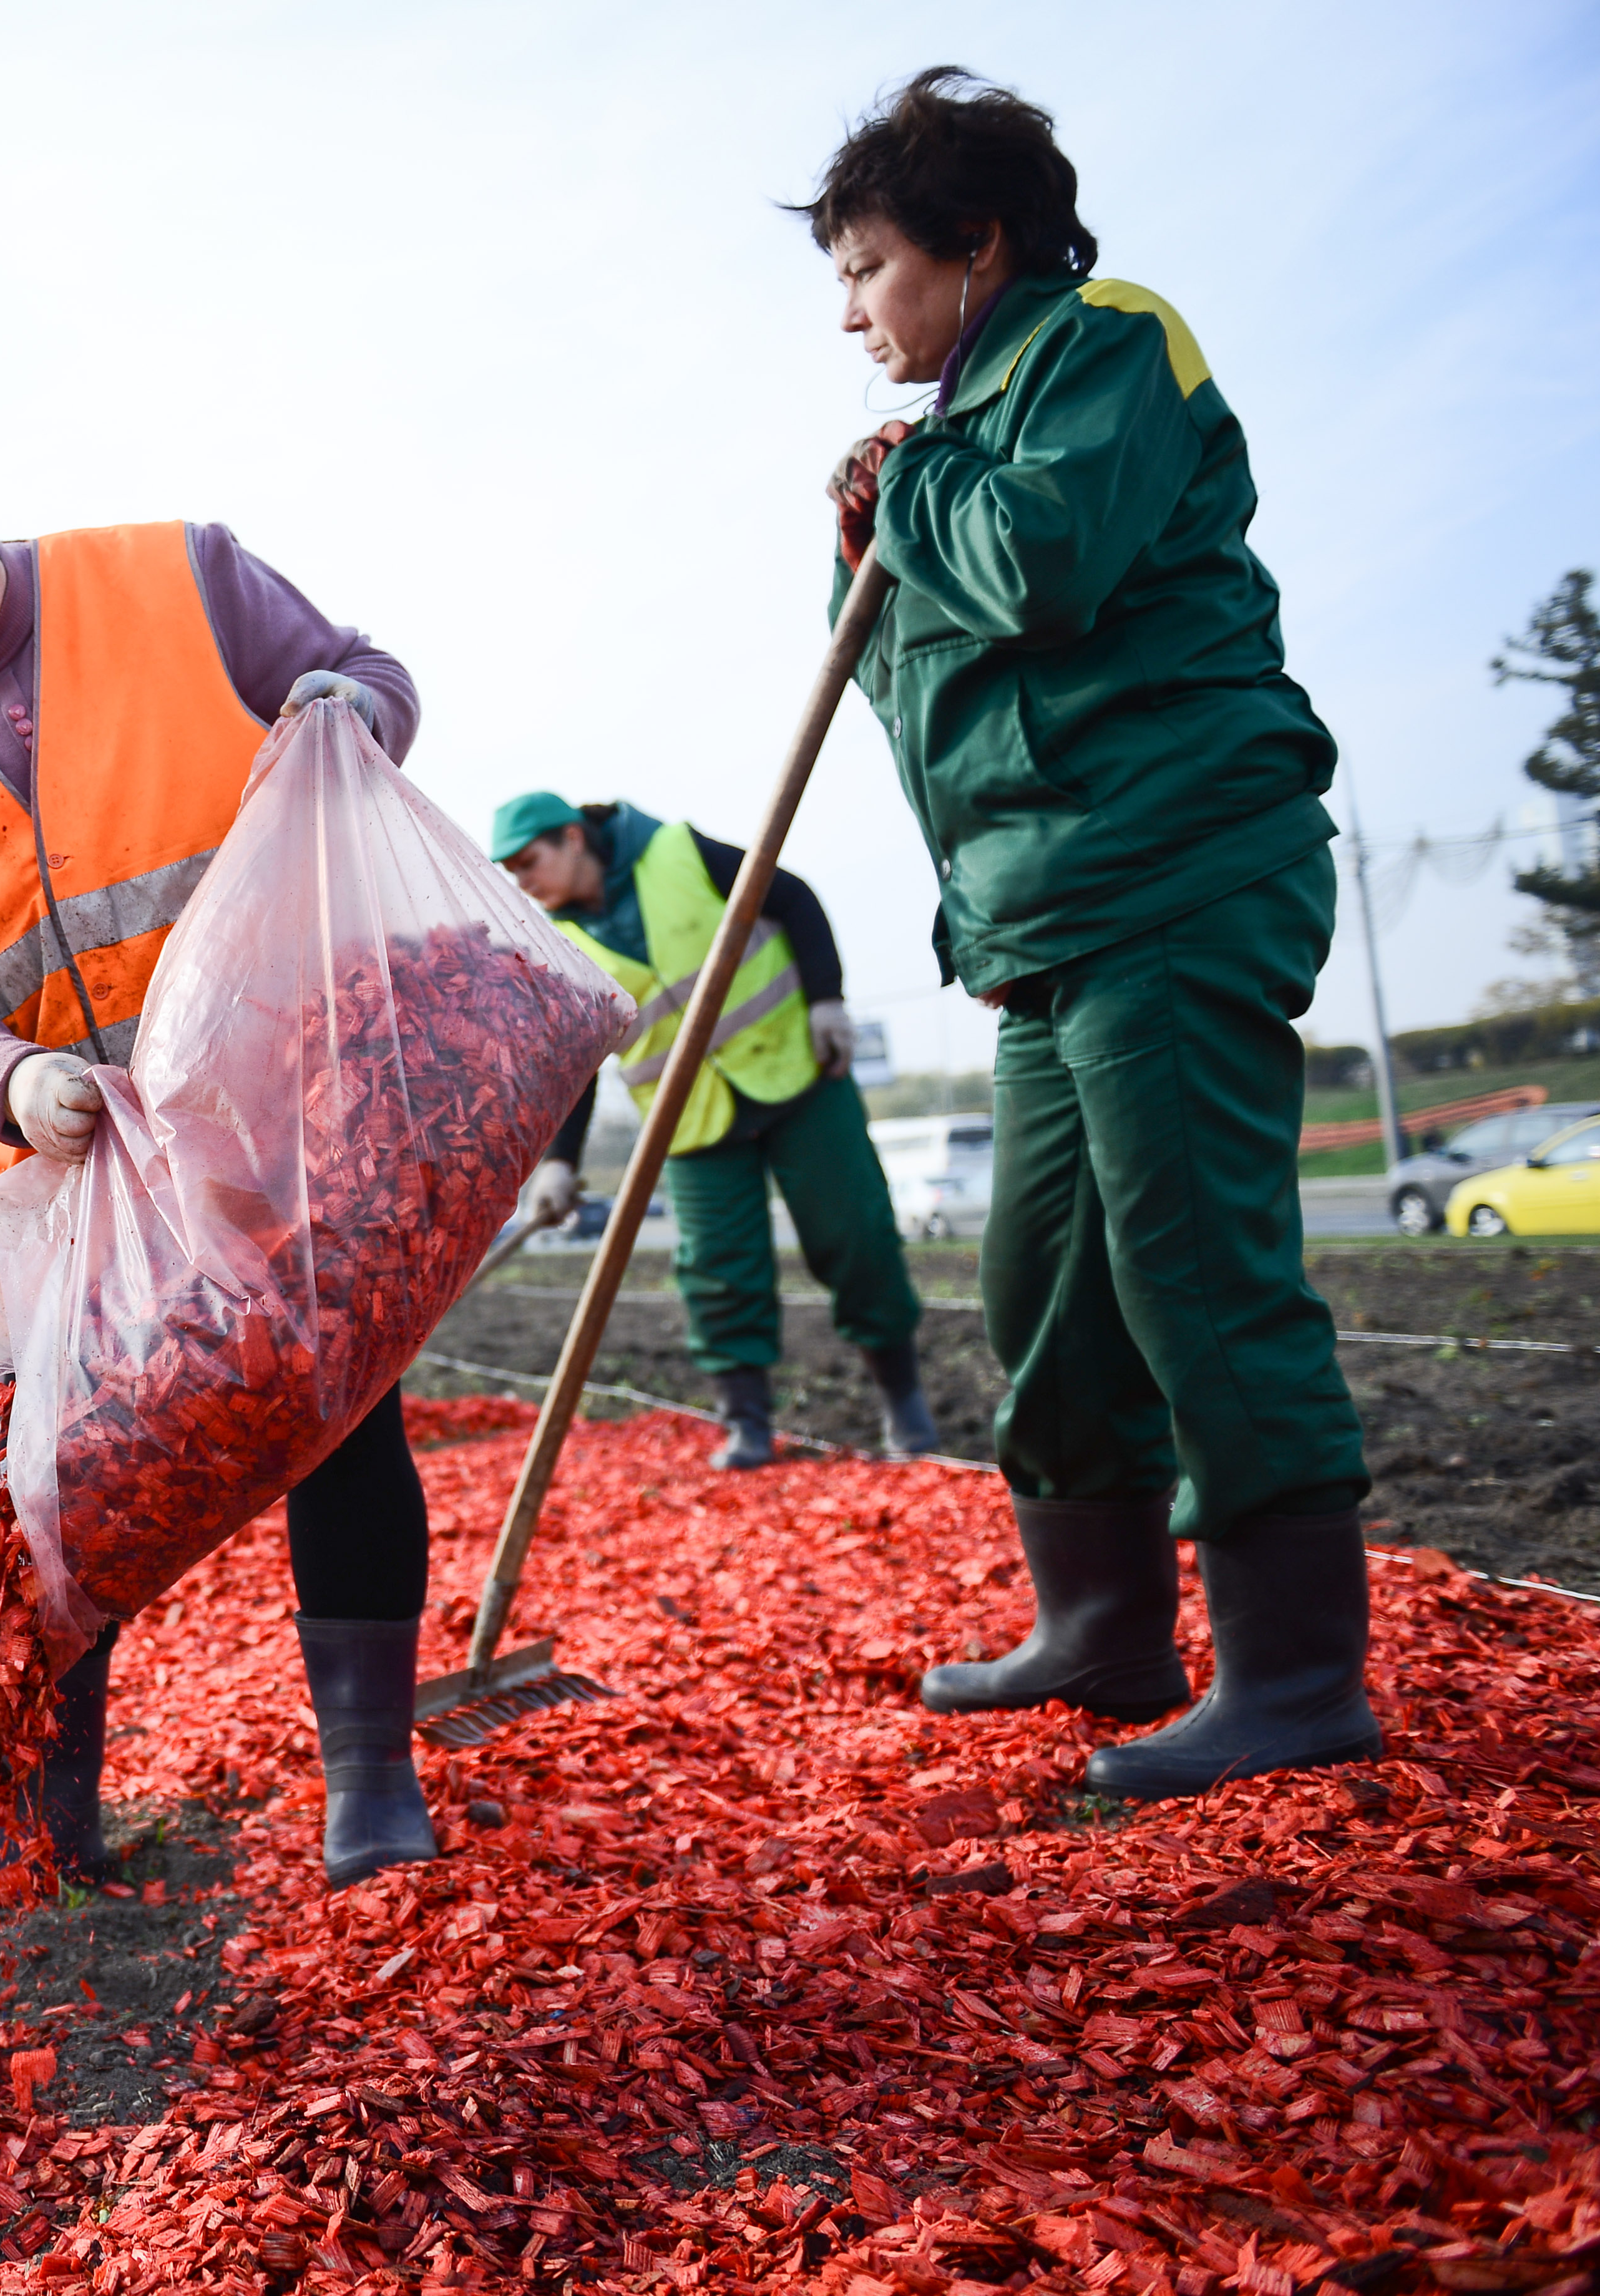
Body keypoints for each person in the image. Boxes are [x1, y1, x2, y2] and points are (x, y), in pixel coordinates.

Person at [801, 71, 1375, 1798]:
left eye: (870, 267)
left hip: (1176, 867)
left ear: (979, 247)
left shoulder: (1104, 344)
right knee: (1041, 1283)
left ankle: (1297, 1676)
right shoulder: (950, 433)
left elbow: (1044, 564)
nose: (848, 311)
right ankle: (1106, 1622)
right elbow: (930, 701)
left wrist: (909, 494)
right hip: (1048, 916)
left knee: (1192, 1267)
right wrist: (866, 534)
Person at [0, 366, 441, 1892]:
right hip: (74, 1162)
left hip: (288, 1105)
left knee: (339, 1424)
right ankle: (36, 1813)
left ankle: (370, 1780)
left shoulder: (177, 577)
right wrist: (4, 1077)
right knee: (43, 1479)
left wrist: (346, 710)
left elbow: (365, 677)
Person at [490, 793, 936, 1466]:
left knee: (857, 1236)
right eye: (512, 872)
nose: (525, 881)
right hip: (690, 1119)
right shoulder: (558, 948)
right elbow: (574, 1063)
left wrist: (826, 999)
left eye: (531, 861)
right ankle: (748, 1426)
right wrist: (559, 1161)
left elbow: (795, 899)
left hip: (798, 1074)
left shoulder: (678, 852)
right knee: (719, 1272)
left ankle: (904, 1406)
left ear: (575, 838)